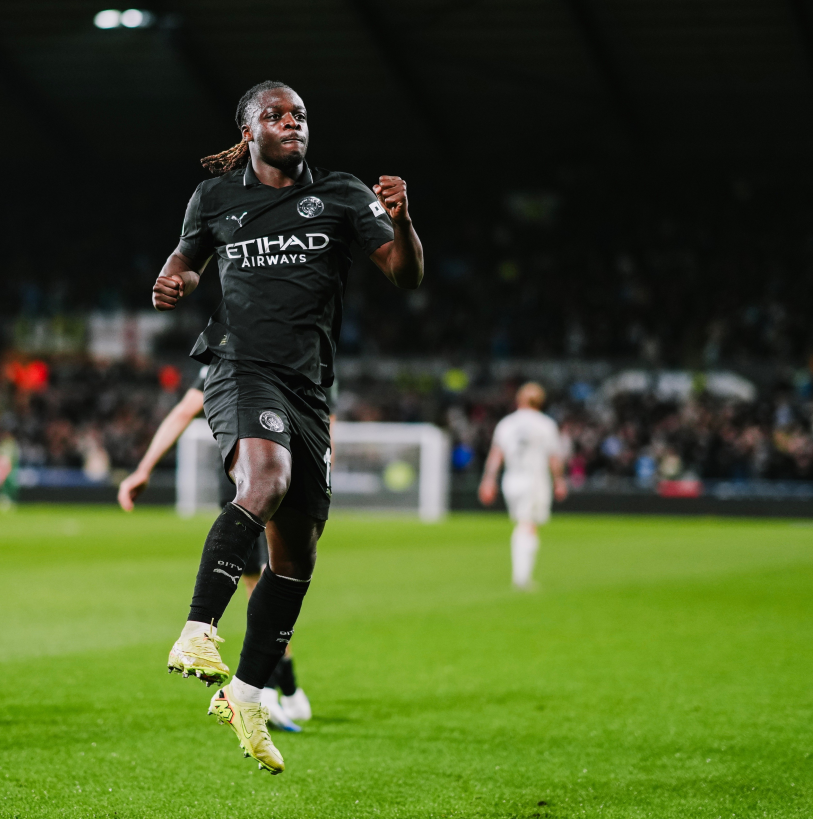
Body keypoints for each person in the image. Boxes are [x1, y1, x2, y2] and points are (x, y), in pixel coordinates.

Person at [150, 80, 423, 774]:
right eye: (275, 114)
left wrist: (405, 220)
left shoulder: (342, 194)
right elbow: (183, 259)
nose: (290, 121)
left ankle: (246, 692)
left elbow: (405, 273)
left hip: (308, 388)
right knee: (263, 480)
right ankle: (196, 629)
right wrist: (172, 279)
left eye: (298, 113)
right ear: (249, 131)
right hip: (241, 368)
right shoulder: (214, 199)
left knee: (295, 559)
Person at [117, 366, 315, 732]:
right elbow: (183, 410)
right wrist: (143, 467)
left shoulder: (297, 352)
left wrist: (143, 468)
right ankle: (270, 687)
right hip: (255, 481)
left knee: (276, 578)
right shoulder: (232, 355)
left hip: (268, 474)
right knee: (263, 579)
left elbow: (182, 411)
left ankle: (280, 685)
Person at [478, 383, 568, 590]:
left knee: (524, 522)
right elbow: (554, 457)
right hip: (534, 479)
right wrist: (560, 481)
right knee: (527, 525)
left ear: (519, 400)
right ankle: (522, 577)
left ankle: (522, 576)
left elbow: (495, 454)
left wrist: (488, 480)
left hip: (511, 479)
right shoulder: (546, 424)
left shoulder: (506, 423)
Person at [0, 432, 20, 512]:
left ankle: (9, 501)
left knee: (10, 486)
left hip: (10, 470)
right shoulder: (1, 448)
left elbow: (14, 458)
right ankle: (1, 500)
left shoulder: (12, 447)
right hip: (3, 469)